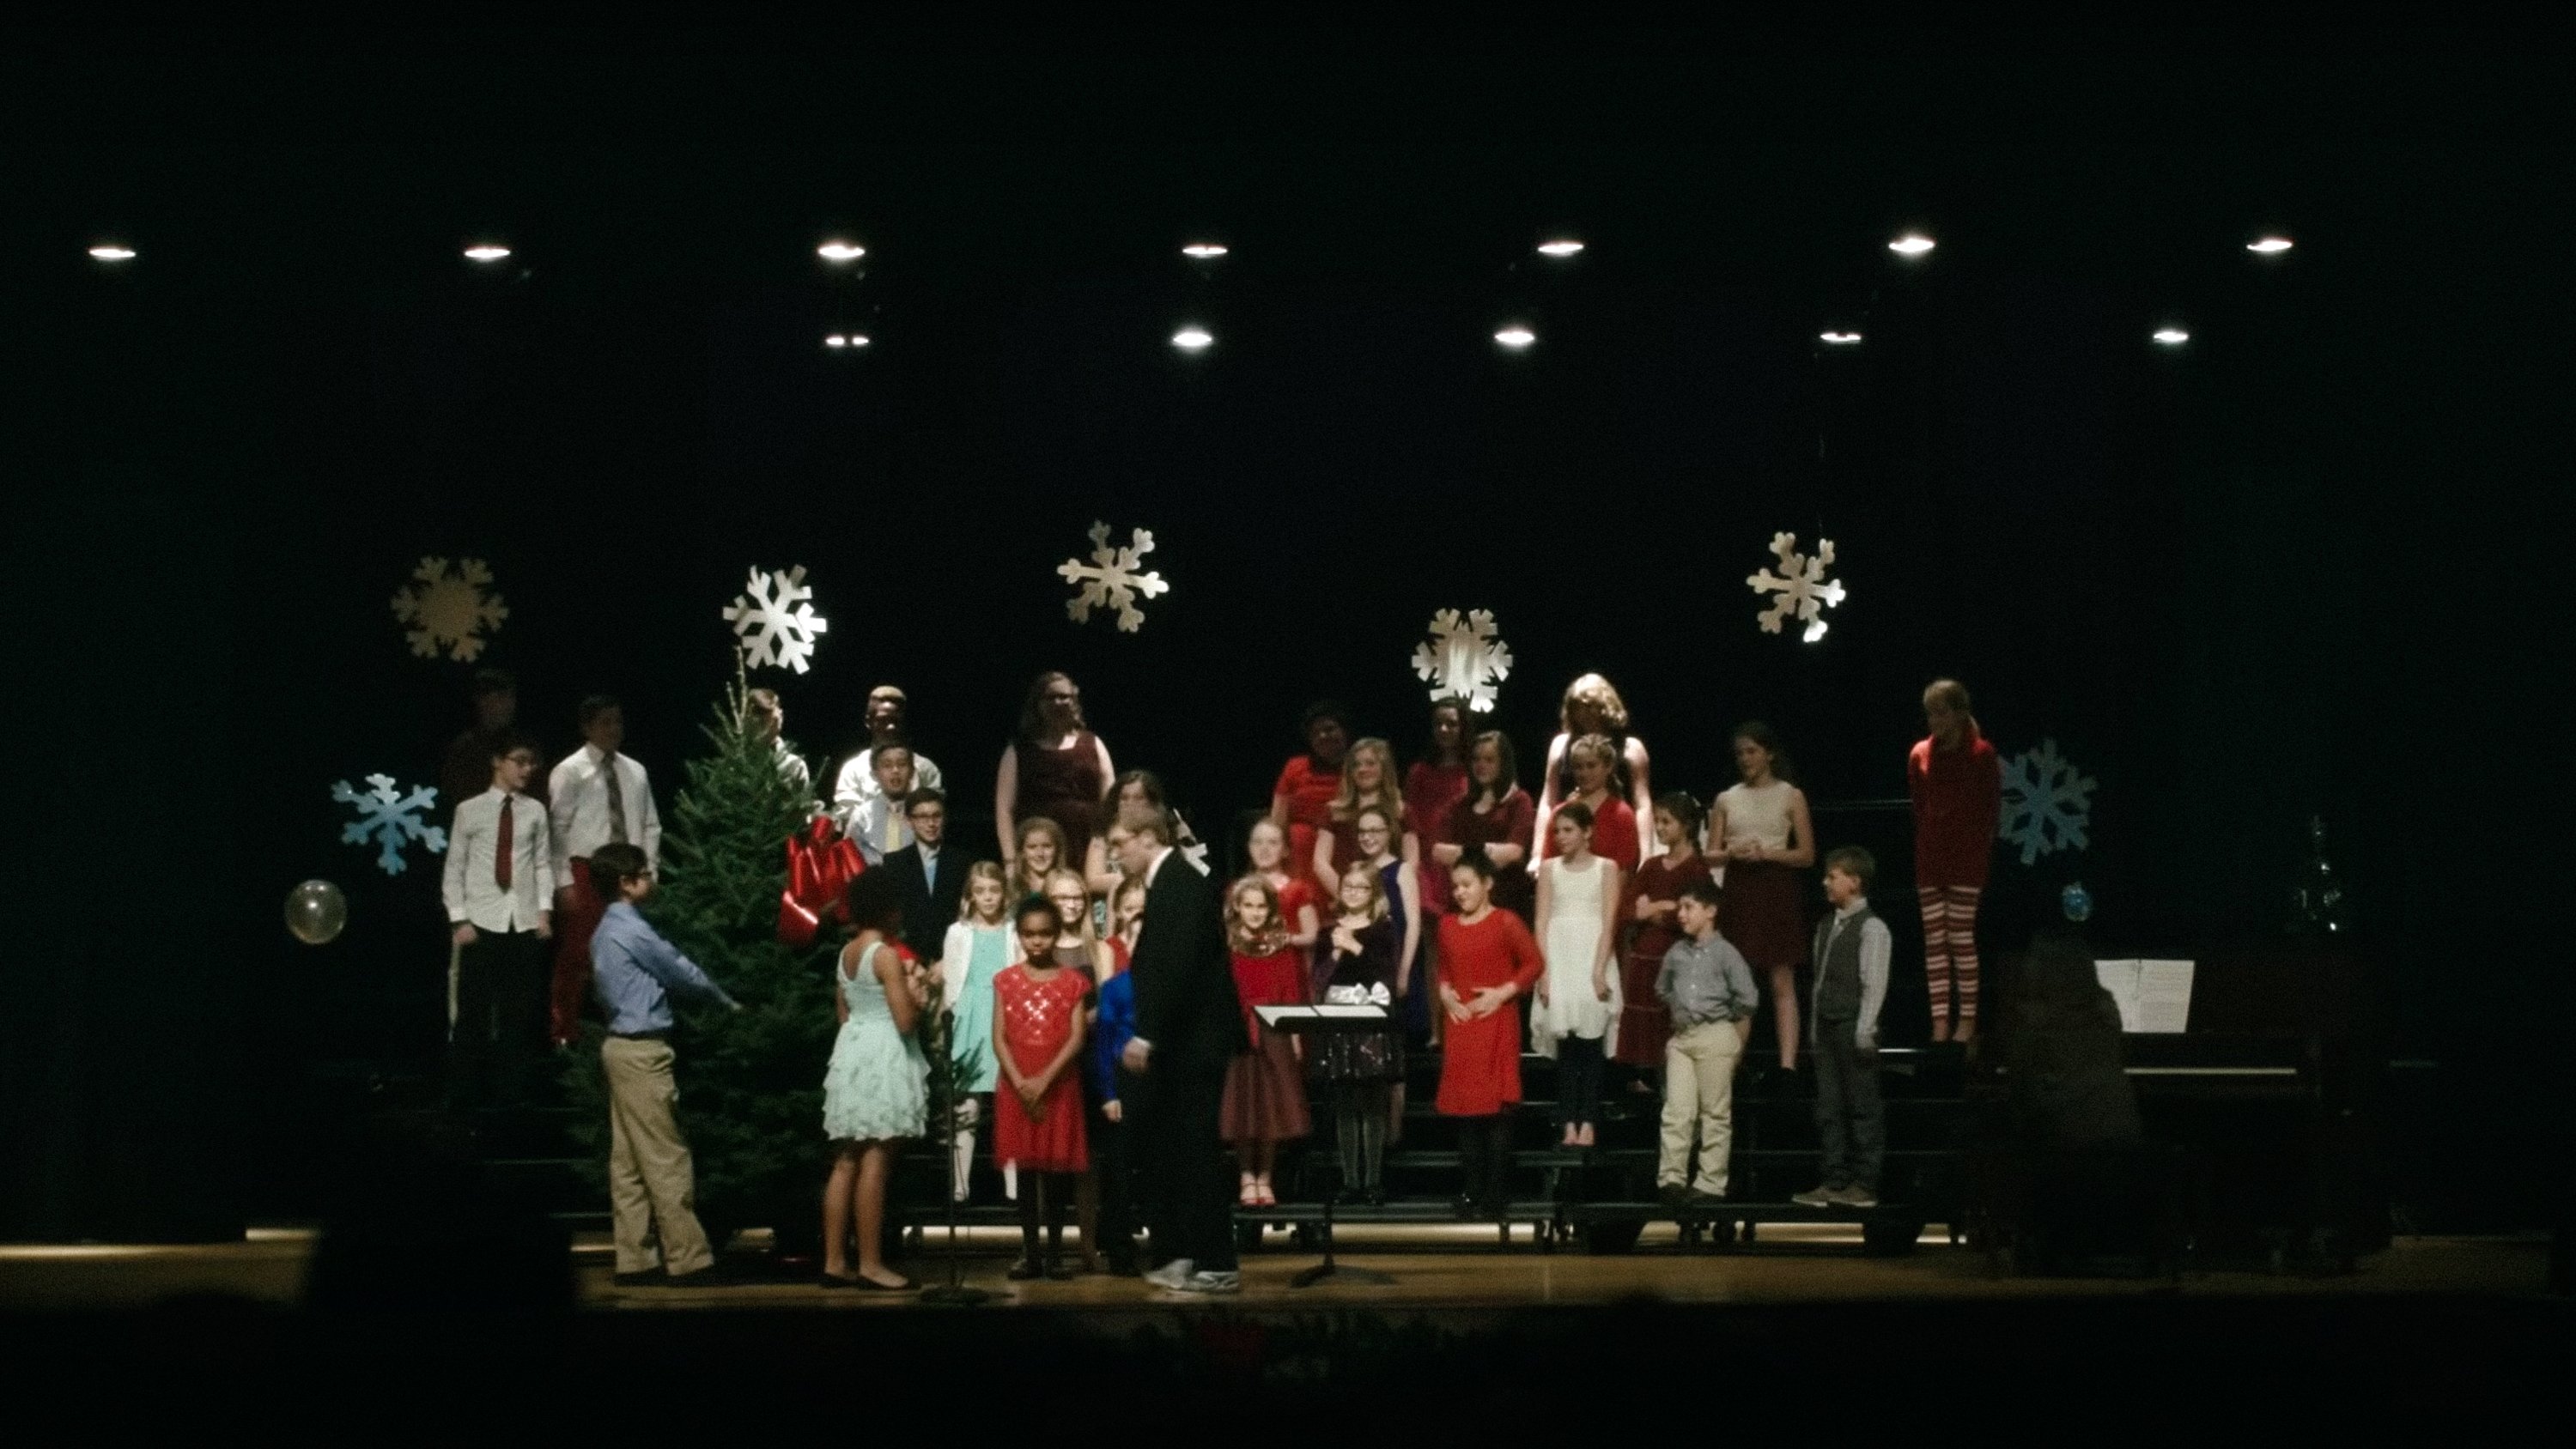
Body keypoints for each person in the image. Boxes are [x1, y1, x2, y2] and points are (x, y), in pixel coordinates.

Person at [582, 841, 739, 1287]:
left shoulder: (603, 930)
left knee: (629, 1160)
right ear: (626, 884)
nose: (652, 880)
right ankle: (688, 1258)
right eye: (644, 874)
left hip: (619, 1048)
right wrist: (725, 1002)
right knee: (665, 1156)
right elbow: (678, 969)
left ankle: (636, 1258)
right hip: (643, 1050)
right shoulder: (630, 929)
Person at [1114, 805, 1248, 1295]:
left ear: (1148, 837)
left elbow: (1181, 965)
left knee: (1196, 1151)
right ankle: (1187, 1253)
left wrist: (1148, 1033)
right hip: (1184, 1043)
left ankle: (1218, 1262)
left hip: (1195, 1043)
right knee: (1176, 1149)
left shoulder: (1180, 882)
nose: (1116, 852)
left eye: (1120, 842)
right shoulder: (1169, 879)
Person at [820, 869, 930, 1289]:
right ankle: (869, 1263)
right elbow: (904, 1020)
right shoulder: (884, 955)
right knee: (877, 1158)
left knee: (846, 1159)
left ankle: (834, 1261)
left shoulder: (846, 952)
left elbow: (843, 1013)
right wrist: (920, 996)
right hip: (884, 1053)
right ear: (888, 909)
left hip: (852, 1052)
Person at [442, 733, 555, 1114]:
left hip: (521, 921)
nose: (526, 769)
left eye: (531, 763)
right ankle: (464, 1094)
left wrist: (543, 911)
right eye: (519, 761)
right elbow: (455, 868)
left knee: (517, 1013)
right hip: (481, 920)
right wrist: (459, 918)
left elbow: (541, 863)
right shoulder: (470, 810)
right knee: (472, 1012)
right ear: (498, 761)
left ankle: (511, 1094)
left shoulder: (535, 811)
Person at [547, 695, 662, 1046]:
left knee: (626, 948)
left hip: (627, 870)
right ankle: (565, 1032)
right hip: (587, 869)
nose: (613, 730)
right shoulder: (571, 771)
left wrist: (649, 871)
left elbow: (649, 824)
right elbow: (557, 831)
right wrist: (564, 881)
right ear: (587, 727)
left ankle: (621, 1024)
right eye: (604, 723)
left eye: (617, 722)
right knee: (580, 952)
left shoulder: (635, 770)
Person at [1436, 854, 1545, 1219]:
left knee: (1496, 1111)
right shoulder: (1448, 925)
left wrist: (1502, 992)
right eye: (1455, 886)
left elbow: (1533, 963)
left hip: (1496, 1021)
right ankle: (1472, 1190)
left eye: (1466, 884)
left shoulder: (1506, 922)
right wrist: (1444, 991)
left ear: (1487, 883)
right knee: (1466, 1111)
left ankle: (1496, 1194)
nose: (1460, 892)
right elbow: (1444, 968)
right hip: (1462, 1024)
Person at [993, 897, 1094, 1281]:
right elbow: (999, 1037)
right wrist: (1020, 1081)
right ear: (1019, 935)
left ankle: (1054, 1254)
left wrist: (1044, 1079)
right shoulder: (1005, 980)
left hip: (1057, 1084)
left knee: (1055, 1175)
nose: (1037, 942)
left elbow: (1076, 1036)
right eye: (1029, 934)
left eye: (1045, 934)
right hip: (1017, 1085)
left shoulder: (1073, 982)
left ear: (1056, 935)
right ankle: (1030, 1252)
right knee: (1027, 1170)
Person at [1711, 721, 1816, 1072]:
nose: (1745, 759)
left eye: (1752, 751)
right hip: (1740, 888)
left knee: (1780, 978)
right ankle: (1732, 1063)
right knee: (1736, 978)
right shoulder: (1726, 798)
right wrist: (1732, 851)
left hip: (1776, 887)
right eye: (1740, 753)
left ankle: (1788, 1066)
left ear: (1769, 753)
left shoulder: (1790, 795)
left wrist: (1766, 853)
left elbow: (1806, 854)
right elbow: (1710, 854)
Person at [1794, 847, 1892, 1210]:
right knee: (1829, 1108)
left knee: (1862, 1107)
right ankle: (1834, 1180)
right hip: (1828, 1027)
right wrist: (1815, 1029)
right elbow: (1819, 982)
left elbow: (1874, 982)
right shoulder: (1825, 926)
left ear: (1854, 882)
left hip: (1853, 1027)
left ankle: (1864, 1183)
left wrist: (1865, 1027)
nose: (1826, 882)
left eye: (1833, 876)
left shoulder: (1872, 927)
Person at [1654, 879, 1758, 1205]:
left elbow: (1748, 998)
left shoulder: (1726, 953)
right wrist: (1680, 1010)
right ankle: (1672, 1177)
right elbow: (1663, 988)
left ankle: (1711, 1182)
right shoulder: (1676, 953)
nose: (1681, 914)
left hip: (1715, 1032)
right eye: (1680, 907)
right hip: (1684, 1037)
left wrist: (1722, 1016)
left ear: (1710, 911)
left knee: (1715, 1112)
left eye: (1689, 907)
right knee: (1677, 1110)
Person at [1911, 678, 2003, 1044]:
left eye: (1941, 712)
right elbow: (1920, 806)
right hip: (1931, 857)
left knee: (1960, 936)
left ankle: (1967, 1020)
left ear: (1959, 713)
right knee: (1934, 940)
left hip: (1966, 858)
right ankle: (1939, 1023)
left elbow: (1990, 810)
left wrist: (1975, 848)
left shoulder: (1981, 754)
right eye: (1930, 713)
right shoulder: (1920, 753)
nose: (1934, 720)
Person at [1531, 801, 1623, 1149]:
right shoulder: (1550, 869)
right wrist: (1545, 972)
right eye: (1557, 830)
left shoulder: (1606, 868)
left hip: (1591, 957)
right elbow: (1540, 921)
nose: (1560, 837)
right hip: (1560, 957)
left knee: (1591, 1043)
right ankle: (1568, 1121)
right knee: (1567, 1047)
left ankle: (1590, 1122)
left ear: (1587, 832)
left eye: (1568, 830)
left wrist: (1599, 970)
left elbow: (1609, 921)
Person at [1219, 876, 1309, 1207]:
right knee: (1242, 1107)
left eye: (1261, 906)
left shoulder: (1280, 946)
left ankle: (1265, 1177)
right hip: (1239, 1033)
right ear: (1237, 908)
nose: (1255, 913)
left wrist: (1296, 1036)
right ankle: (1245, 1175)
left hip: (1274, 1032)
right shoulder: (1228, 946)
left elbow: (1291, 992)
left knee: (1271, 1108)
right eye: (1248, 906)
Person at [1317, 864, 1404, 1204]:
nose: (1353, 894)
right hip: (1340, 1022)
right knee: (1345, 1105)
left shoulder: (1382, 930)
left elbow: (1385, 974)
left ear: (1374, 894)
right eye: (1347, 887)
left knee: (1371, 1104)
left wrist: (1355, 948)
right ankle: (1350, 1181)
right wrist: (1337, 950)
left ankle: (1373, 1181)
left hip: (1370, 1022)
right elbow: (1320, 977)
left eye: (1361, 888)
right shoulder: (1330, 931)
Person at [1620, 791, 1713, 1088]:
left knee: (1671, 1031)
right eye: (1657, 821)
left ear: (1685, 826)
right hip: (1644, 962)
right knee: (1645, 1044)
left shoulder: (1697, 869)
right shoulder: (1651, 866)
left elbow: (1695, 915)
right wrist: (1663, 907)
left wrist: (1659, 908)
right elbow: (1629, 908)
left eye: (1666, 822)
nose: (1659, 828)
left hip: (1677, 960)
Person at [937, 861, 1015, 1199]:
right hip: (970, 1018)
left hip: (1003, 1016)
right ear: (970, 895)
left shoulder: (1013, 931)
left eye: (994, 890)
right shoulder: (958, 932)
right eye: (980, 891)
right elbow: (951, 982)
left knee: (1009, 1102)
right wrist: (947, 1022)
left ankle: (1014, 1184)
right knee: (966, 1103)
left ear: (1004, 893)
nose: (988, 898)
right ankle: (960, 1183)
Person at [1533, 674, 1654, 872]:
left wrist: (1647, 856)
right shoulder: (1560, 745)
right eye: (1577, 707)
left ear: (1605, 706)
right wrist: (1538, 855)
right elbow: (1548, 800)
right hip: (1568, 838)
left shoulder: (1630, 748)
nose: (1584, 713)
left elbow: (1642, 804)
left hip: (1615, 833)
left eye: (1590, 706)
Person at [996, 670, 1114, 865]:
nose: (1058, 702)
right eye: (1051, 697)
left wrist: (1110, 847)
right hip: (1040, 849)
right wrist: (1010, 860)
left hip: (1089, 845)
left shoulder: (1093, 744)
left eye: (1064, 697)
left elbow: (1110, 802)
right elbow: (1004, 810)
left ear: (1074, 701)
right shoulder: (1019, 751)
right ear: (1038, 704)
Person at [1086, 888, 1143, 1275]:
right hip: (1120, 1070)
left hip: (1158, 1073)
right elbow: (1105, 1032)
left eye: (1145, 912)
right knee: (1119, 1167)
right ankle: (1120, 1248)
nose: (1138, 919)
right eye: (1132, 913)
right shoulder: (1114, 966)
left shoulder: (1164, 961)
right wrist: (1108, 1091)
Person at [1438, 730, 1535, 924]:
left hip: (1506, 901)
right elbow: (1438, 850)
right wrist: (1486, 853)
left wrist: (1464, 854)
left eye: (1489, 760)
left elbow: (1514, 851)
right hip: (1464, 901)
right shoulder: (1459, 805)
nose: (1481, 765)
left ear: (1503, 763)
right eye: (1476, 759)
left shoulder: (1518, 801)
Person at [831, 684, 943, 834]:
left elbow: (933, 818)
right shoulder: (853, 770)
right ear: (869, 722)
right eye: (883, 720)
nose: (890, 727)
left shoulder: (926, 769)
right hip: (864, 852)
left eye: (896, 721)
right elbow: (850, 819)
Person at [1313, 737, 1418, 886]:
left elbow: (1411, 862)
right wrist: (1347, 895)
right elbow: (1320, 863)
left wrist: (1390, 895)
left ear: (1384, 768)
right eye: (1356, 765)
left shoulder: (1401, 811)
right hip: (1347, 897)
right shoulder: (1334, 811)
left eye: (1370, 763)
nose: (1362, 769)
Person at [1269, 700, 1351, 889]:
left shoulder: (1357, 766)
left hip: (1342, 845)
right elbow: (1277, 820)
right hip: (1300, 851)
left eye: (1329, 729)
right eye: (1315, 733)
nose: (1323, 736)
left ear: (1344, 731)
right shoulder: (1295, 767)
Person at [1084, 770, 1198, 905]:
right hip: (1117, 903)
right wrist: (1138, 877)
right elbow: (1092, 882)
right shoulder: (1103, 832)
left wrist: (1190, 842)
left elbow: (1201, 866)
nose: (1130, 803)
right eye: (1124, 798)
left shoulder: (1170, 827)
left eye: (1138, 798)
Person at [884, 788, 971, 964]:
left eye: (936, 816)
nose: (931, 823)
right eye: (922, 817)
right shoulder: (894, 863)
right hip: (910, 961)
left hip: (953, 957)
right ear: (909, 821)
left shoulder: (961, 861)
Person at [440, 668, 535, 822]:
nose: (509, 705)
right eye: (501, 697)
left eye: (511, 698)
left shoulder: (524, 744)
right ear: (482, 701)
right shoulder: (464, 747)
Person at [1543, 733, 1642, 871]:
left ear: (1608, 767)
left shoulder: (1622, 814)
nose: (1584, 773)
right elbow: (1548, 864)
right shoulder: (1560, 813)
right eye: (1578, 767)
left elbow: (1624, 870)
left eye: (1591, 766)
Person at [1243, 817, 1322, 974]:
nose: (1264, 849)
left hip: (1287, 969)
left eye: (1272, 843)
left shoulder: (1298, 890)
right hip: (1248, 968)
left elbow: (1312, 935)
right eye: (1257, 842)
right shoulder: (1237, 890)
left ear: (1285, 850)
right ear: (1249, 847)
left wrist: (1285, 939)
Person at [744, 687, 818, 815]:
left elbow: (801, 815)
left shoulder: (795, 766)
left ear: (780, 718)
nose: (765, 730)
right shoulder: (735, 762)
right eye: (760, 723)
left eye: (769, 722)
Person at [845, 743, 920, 867]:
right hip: (873, 883)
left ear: (912, 771)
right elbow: (847, 859)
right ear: (875, 774)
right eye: (887, 765)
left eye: (902, 764)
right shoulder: (861, 816)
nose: (895, 770)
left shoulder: (924, 813)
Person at [1008, 815, 1072, 908]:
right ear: (1022, 852)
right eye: (1032, 847)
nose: (1040, 854)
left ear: (1057, 850)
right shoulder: (1011, 889)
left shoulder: (1070, 884)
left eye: (1047, 846)